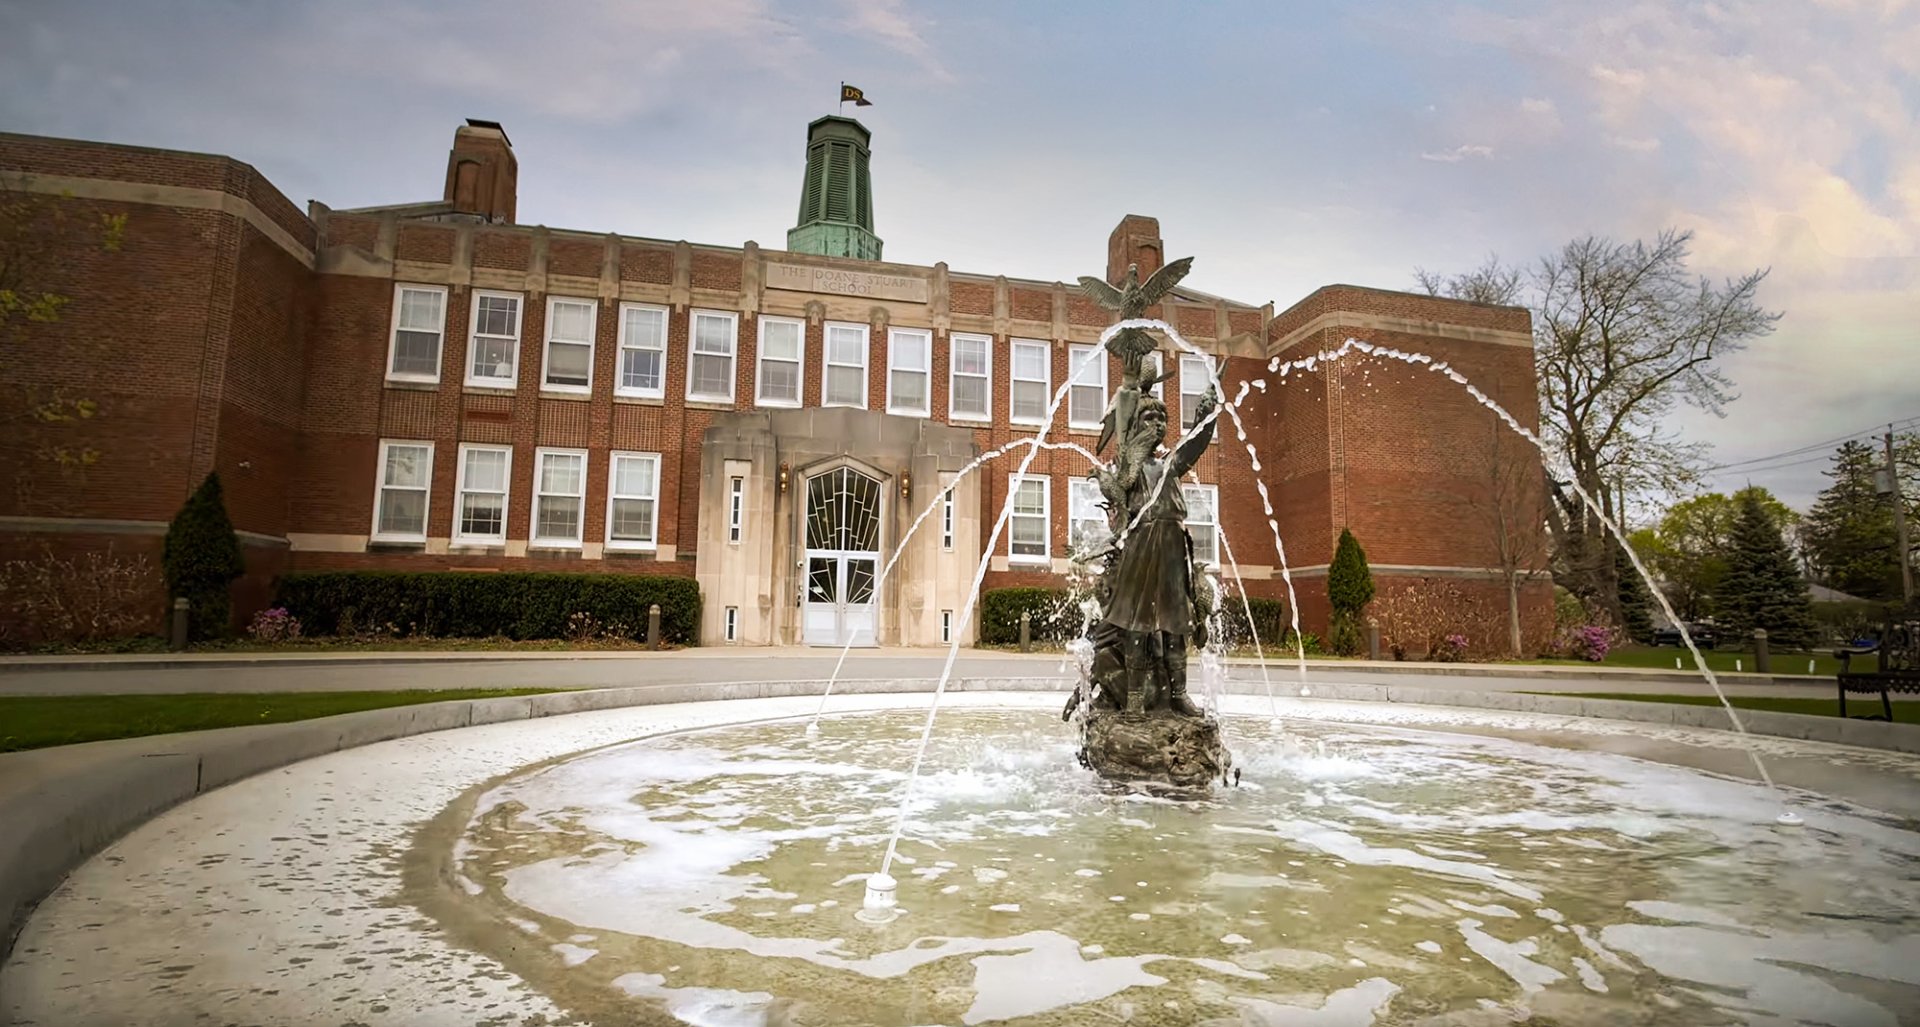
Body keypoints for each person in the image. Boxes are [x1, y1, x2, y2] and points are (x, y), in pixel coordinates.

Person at [1094, 387, 1216, 716]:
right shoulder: (1128, 467)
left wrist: (1205, 416)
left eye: (1163, 418)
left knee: (1177, 622)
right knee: (1138, 623)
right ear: (1135, 426)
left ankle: (1179, 694)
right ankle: (1134, 697)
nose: (1158, 424)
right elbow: (1119, 484)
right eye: (1149, 418)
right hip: (1141, 547)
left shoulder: (1169, 465)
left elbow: (1193, 446)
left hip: (1173, 546)